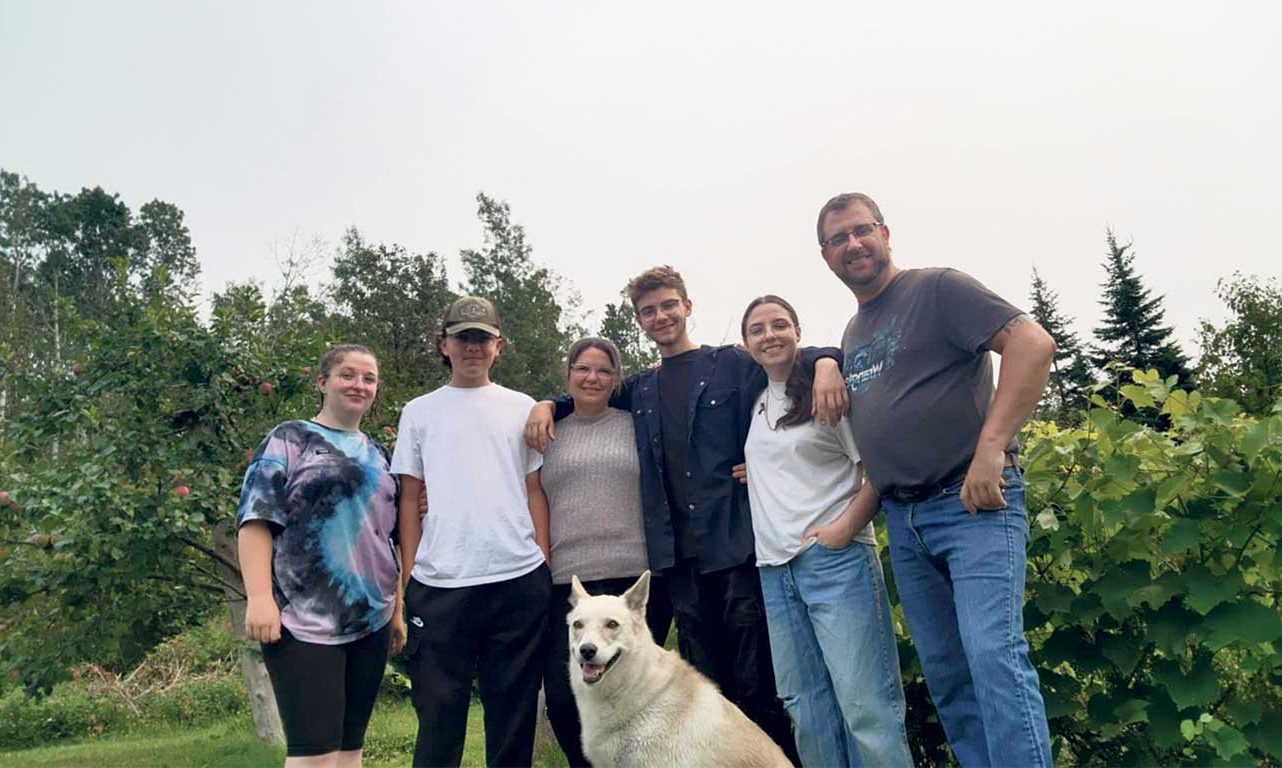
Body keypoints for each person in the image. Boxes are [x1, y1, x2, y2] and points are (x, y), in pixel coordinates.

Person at [525, 266, 847, 762]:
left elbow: (786, 358)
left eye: (668, 305)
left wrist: (826, 362)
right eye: (649, 311)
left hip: (736, 550)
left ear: (687, 306)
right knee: (706, 695)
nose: (661, 316)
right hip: (679, 564)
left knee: (758, 686)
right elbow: (590, 394)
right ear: (640, 321)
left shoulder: (732, 365)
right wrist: (549, 403)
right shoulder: (641, 388)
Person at [816, 192, 1057, 767]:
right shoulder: (853, 332)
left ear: (885, 232)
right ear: (824, 256)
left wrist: (991, 448)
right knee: (949, 676)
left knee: (993, 656)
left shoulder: (937, 289)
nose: (854, 245)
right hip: (904, 519)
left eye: (862, 230)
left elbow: (1032, 343)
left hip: (971, 505)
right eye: (838, 239)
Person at [739, 295, 914, 768]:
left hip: (834, 562)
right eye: (757, 329)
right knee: (807, 710)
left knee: (866, 707)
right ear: (745, 343)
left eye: (779, 324)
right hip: (775, 571)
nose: (769, 335)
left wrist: (845, 529)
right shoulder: (755, 402)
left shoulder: (826, 393)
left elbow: (876, 468)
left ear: (798, 331)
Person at [390, 296, 551, 768]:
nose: (473, 347)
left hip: (517, 581)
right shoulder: (418, 412)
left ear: (499, 346)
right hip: (441, 585)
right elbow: (408, 497)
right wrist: (410, 575)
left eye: (482, 338)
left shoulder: (522, 407)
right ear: (445, 344)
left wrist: (541, 559)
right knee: (439, 717)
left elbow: (534, 488)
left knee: (512, 719)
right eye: (463, 338)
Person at [236, 343, 402, 768]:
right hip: (300, 621)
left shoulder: (381, 455)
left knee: (349, 754)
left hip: (372, 619)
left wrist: (397, 609)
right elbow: (256, 520)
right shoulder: (288, 440)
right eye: (348, 375)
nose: (359, 385)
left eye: (369, 378)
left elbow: (389, 537)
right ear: (322, 382)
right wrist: (259, 598)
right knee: (314, 757)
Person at [538, 336, 673, 768]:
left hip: (633, 581)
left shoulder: (636, 423)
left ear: (617, 380)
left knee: (636, 699)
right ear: (569, 374)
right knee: (563, 698)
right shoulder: (546, 430)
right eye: (583, 368)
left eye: (603, 370)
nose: (592, 378)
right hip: (567, 582)